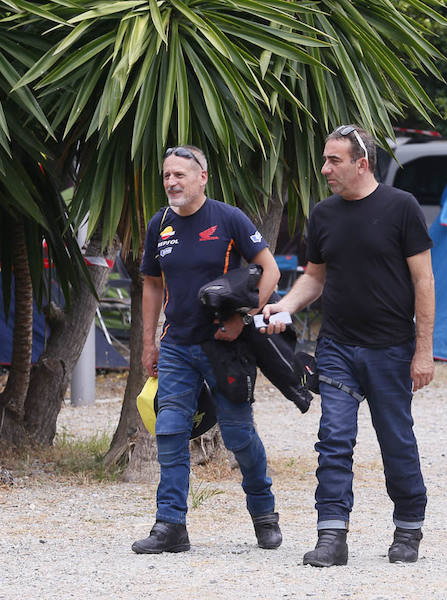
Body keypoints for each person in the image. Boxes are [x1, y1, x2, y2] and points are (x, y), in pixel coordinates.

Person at [261, 124, 435, 566]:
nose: (324, 169)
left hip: (391, 348)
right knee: (334, 438)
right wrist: (282, 307)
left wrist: (423, 350)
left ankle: (409, 529)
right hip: (337, 348)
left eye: (333, 160)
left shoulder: (402, 208)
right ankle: (332, 536)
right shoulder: (323, 215)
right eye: (324, 159)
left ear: (362, 163)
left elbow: (424, 281)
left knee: (395, 439)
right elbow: (315, 278)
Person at [132, 145, 282, 554]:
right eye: (166, 175)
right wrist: (149, 341)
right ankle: (171, 526)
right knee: (170, 430)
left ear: (203, 177)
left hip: (222, 345)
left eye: (180, 174)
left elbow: (271, 269)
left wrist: (243, 318)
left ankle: (264, 514)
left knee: (238, 435)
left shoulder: (228, 218)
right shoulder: (159, 224)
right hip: (176, 345)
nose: (171, 182)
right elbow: (151, 282)